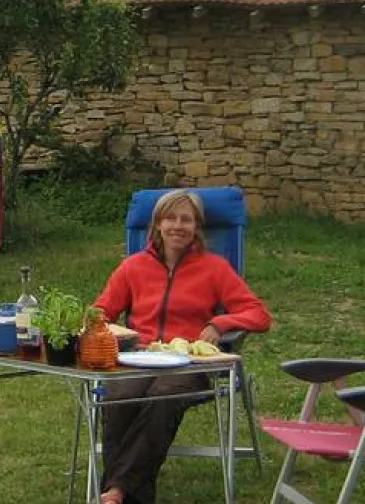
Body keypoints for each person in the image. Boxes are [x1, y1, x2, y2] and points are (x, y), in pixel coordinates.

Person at [90, 189, 272, 504]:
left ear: (196, 226)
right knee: (119, 398)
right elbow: (100, 313)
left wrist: (219, 324)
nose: (178, 226)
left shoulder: (215, 268)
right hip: (139, 357)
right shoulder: (133, 267)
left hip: (188, 362)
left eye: (186, 220)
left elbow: (259, 315)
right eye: (170, 218)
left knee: (163, 396)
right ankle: (123, 494)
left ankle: (117, 490)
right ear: (157, 225)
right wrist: (105, 331)